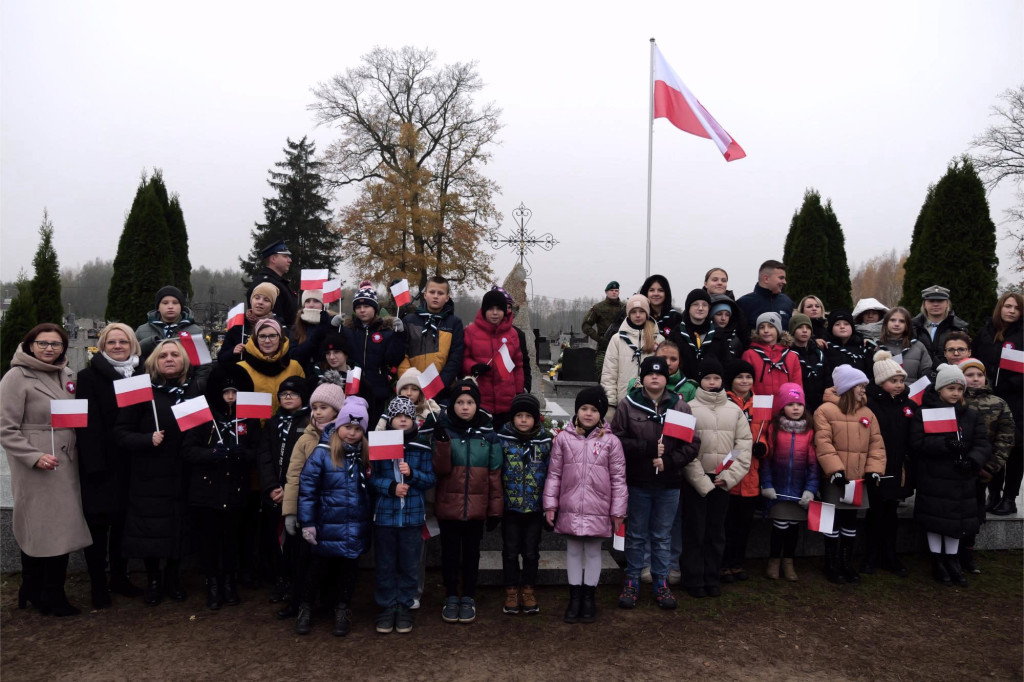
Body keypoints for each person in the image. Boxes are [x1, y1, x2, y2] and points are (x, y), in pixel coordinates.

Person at [1, 323, 92, 616]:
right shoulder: (16, 376)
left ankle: (36, 588)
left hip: (66, 460)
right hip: (38, 464)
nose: (49, 349)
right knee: (42, 526)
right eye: (43, 343)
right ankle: (48, 593)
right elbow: (5, 427)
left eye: (55, 344)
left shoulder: (67, 374)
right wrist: (33, 456)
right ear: (30, 344)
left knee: (58, 527)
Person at [115, 339, 204, 606]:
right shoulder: (142, 392)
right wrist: (146, 439)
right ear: (154, 361)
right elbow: (120, 432)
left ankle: (173, 578)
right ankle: (153, 579)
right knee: (150, 530)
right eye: (163, 355)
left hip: (184, 471)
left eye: (175, 354)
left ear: (184, 361)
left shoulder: (195, 392)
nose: (169, 359)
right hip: (149, 474)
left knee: (179, 526)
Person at [612, 357, 698, 611]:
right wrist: (647, 449)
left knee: (662, 536)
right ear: (643, 377)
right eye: (650, 374)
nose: (655, 378)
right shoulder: (628, 406)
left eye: (660, 375)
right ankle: (632, 580)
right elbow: (617, 441)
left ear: (666, 378)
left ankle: (661, 581)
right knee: (637, 535)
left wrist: (669, 461)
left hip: (668, 483)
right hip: (638, 481)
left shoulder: (679, 407)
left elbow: (692, 444)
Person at [74, 323, 146, 608]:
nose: (118, 346)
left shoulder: (140, 376)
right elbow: (87, 425)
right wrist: (94, 464)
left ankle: (119, 576)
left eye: (123, 342)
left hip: (130, 462)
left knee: (122, 526)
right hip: (100, 465)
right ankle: (98, 583)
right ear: (102, 346)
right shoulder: (88, 377)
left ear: (133, 346)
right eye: (111, 342)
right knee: (99, 527)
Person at [543, 387, 627, 624]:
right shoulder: (562, 439)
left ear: (601, 413)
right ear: (577, 411)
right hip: (569, 506)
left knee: (592, 551)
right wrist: (550, 505)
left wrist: (618, 510)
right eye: (584, 409)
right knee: (572, 551)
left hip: (598, 508)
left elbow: (618, 479)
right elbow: (554, 474)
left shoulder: (611, 442)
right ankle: (574, 596)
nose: (588, 414)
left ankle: (589, 597)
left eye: (594, 409)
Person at [182, 366, 258, 610]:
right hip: (207, 490)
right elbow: (187, 450)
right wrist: (211, 454)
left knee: (231, 540)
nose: (230, 398)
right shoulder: (203, 414)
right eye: (226, 392)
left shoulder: (248, 416)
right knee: (209, 541)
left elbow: (257, 449)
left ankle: (229, 582)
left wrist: (243, 453)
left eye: (235, 392)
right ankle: (212, 583)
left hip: (235, 489)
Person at [909, 364, 990, 587]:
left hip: (961, 478)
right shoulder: (925, 413)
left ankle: (952, 560)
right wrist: (946, 444)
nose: (955, 393)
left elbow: (982, 443)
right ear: (939, 390)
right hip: (934, 477)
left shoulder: (971, 415)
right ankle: (937, 559)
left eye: (958, 389)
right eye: (950, 388)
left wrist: (972, 460)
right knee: (936, 521)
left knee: (956, 521)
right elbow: (917, 443)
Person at [296, 400, 373, 636]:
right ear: (338, 425)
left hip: (354, 525)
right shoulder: (322, 453)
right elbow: (307, 490)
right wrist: (308, 523)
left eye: (358, 429)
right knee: (317, 570)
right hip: (326, 525)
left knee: (349, 571)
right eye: (348, 426)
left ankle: (343, 608)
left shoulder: (364, 455)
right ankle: (305, 607)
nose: (352, 433)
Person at [432, 378, 502, 625]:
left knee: (472, 554)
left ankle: (468, 596)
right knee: (450, 554)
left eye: (470, 402)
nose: (464, 407)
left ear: (477, 405)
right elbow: (440, 470)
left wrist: (494, 509)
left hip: (476, 508)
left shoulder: (489, 435)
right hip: (449, 507)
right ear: (452, 405)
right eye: (459, 402)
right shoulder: (444, 430)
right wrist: (441, 443)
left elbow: (494, 474)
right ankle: (451, 595)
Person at [681, 358, 752, 598]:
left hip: (722, 481)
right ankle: (693, 579)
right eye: (708, 378)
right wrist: (700, 479)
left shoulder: (735, 411)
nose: (712, 383)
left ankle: (712, 578)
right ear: (700, 380)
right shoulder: (687, 407)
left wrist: (728, 475)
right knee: (695, 532)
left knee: (715, 532)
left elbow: (742, 446)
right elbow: (683, 447)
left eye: (716, 378)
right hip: (695, 481)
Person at [281, 384, 350, 623]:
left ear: (337, 410)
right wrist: (291, 512)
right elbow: (294, 476)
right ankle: (301, 604)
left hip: (335, 513)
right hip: (308, 511)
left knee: (331, 563)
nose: (318, 412)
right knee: (304, 561)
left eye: (324, 407)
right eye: (315, 408)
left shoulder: (345, 438)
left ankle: (330, 604)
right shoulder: (304, 439)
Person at [813, 365, 886, 585]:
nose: (864, 390)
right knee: (831, 520)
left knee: (850, 520)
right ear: (847, 388)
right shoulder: (824, 411)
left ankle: (846, 562)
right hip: (834, 478)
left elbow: (876, 444)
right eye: (860, 386)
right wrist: (834, 469)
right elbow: (823, 442)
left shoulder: (867, 413)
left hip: (857, 479)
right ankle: (830, 562)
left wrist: (874, 470)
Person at [371, 397, 436, 635]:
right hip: (386, 516)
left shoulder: (422, 446)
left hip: (412, 516)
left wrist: (412, 474)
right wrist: (390, 487)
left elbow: (430, 479)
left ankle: (405, 605)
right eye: (397, 416)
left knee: (409, 563)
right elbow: (372, 477)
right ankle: (387, 606)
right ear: (390, 419)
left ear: (413, 420)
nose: (402, 420)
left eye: (407, 416)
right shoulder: (380, 445)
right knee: (386, 563)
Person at [495, 393, 552, 616]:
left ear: (536, 419)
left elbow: (551, 472)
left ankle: (528, 589)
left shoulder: (545, 441)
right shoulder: (502, 439)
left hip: (534, 509)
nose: (523, 420)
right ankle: (511, 590)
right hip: (510, 508)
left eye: (528, 416)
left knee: (531, 552)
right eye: (519, 415)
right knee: (510, 552)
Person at [256, 376, 310, 609]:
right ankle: (281, 579)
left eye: (293, 394)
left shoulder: (309, 421)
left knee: (295, 540)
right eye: (284, 394)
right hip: (274, 491)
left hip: (296, 491)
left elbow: (308, 460)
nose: (288, 398)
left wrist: (290, 488)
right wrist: (270, 486)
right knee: (274, 537)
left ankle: (296, 581)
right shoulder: (271, 422)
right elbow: (264, 456)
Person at [863, 351, 917, 577]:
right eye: (893, 381)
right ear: (880, 382)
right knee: (875, 512)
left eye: (901, 380)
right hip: (876, 465)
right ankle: (871, 556)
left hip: (898, 466)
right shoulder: (869, 404)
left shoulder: (909, 405)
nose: (899, 385)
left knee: (892, 511)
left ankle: (890, 555)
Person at [960, 357, 1014, 573]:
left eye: (979, 375)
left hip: (981, 470)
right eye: (969, 375)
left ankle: (968, 554)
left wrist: (991, 467)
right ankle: (950, 553)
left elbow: (1006, 438)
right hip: (954, 470)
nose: (975, 379)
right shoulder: (953, 399)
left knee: (975, 513)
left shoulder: (998, 403)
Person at [760, 382, 818, 581]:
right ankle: (774, 560)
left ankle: (789, 562)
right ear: (782, 406)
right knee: (779, 526)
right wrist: (767, 484)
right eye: (791, 404)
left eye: (799, 404)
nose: (796, 408)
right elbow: (767, 460)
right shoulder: (774, 429)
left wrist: (810, 489)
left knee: (793, 526)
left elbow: (813, 465)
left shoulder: (809, 431)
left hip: (798, 489)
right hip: (778, 488)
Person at [972, 292, 1023, 516]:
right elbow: (975, 361)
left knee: (1015, 449)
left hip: (1017, 400)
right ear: (999, 308)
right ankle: (993, 494)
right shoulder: (985, 333)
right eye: (1007, 306)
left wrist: (1013, 381)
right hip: (990, 400)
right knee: (993, 447)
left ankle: (1009, 498)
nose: (1011, 311)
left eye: (1016, 308)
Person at [722, 359, 769, 583]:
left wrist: (763, 448)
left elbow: (765, 433)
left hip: (751, 473)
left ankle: (737, 563)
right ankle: (723, 564)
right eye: (740, 377)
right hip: (729, 470)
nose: (744, 381)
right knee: (726, 524)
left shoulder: (760, 403)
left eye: (748, 377)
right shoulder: (724, 401)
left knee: (744, 525)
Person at [343, 281, 407, 427]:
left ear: (375, 308)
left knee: (374, 428)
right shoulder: (349, 330)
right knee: (355, 427)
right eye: (358, 307)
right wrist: (333, 328)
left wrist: (400, 335)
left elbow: (394, 358)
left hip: (378, 389)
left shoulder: (386, 332)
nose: (362, 310)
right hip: (354, 390)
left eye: (366, 306)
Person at [463, 289, 525, 430]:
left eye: (499, 309)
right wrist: (473, 366)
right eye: (491, 309)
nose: (495, 313)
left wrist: (519, 392)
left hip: (506, 402)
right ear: (484, 310)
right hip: (480, 401)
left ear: (505, 311)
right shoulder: (470, 332)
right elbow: (463, 358)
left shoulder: (513, 334)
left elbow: (518, 366)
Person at [398, 275, 465, 403]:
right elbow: (402, 354)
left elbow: (455, 358)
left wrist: (438, 385)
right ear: (425, 295)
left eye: (440, 293)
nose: (435, 296)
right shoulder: (409, 320)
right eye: (432, 292)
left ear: (447, 297)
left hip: (442, 391)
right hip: (411, 389)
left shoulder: (454, 323)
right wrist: (411, 381)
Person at [601, 294, 664, 411]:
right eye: (634, 311)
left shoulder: (659, 340)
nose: (638, 315)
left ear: (647, 313)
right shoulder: (617, 339)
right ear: (628, 314)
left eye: (641, 311)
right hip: (624, 403)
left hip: (652, 403)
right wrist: (610, 404)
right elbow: (609, 374)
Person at [218, 283, 288, 366]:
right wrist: (233, 351)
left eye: (266, 300)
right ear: (251, 300)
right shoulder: (238, 324)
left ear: (271, 305)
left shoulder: (278, 327)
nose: (260, 302)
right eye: (257, 298)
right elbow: (221, 357)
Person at [602, 275, 682, 344]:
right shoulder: (636, 317)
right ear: (646, 292)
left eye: (660, 290)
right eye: (651, 290)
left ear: (666, 293)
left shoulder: (677, 319)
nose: (656, 293)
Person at [742, 312, 802, 399]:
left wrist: (794, 403)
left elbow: (796, 385)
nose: (766, 330)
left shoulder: (791, 356)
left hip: (784, 407)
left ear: (778, 330)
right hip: (759, 407)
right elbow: (747, 385)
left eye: (771, 326)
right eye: (762, 327)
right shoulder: (749, 355)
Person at [135, 285, 204, 360]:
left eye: (175, 303)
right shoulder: (141, 331)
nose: (170, 306)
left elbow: (202, 363)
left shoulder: (195, 331)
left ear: (181, 307)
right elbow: (134, 359)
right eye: (165, 303)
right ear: (158, 307)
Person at [911, 285, 970, 369]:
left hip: (950, 375)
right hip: (920, 376)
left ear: (947, 303)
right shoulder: (913, 327)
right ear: (924, 304)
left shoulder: (959, 328)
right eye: (931, 301)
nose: (936, 304)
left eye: (940, 301)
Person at [246, 239, 298, 327]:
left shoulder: (279, 282)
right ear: (273, 259)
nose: (290, 260)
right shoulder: (267, 284)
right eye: (285, 256)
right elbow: (275, 320)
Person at [876, 306, 932, 384]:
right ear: (886, 323)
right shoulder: (876, 347)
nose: (897, 324)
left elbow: (927, 374)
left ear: (907, 325)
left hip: (912, 394)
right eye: (892, 320)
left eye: (902, 321)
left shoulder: (918, 347)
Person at [736, 260, 795, 332]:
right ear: (766, 279)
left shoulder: (788, 302)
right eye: (781, 278)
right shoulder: (743, 303)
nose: (785, 282)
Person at [582, 281, 626, 372]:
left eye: (616, 290)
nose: (614, 292)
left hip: (621, 347)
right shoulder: (598, 308)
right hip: (604, 347)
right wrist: (599, 338)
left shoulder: (625, 308)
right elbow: (585, 325)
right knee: (602, 373)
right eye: (612, 290)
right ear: (606, 292)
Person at [788, 313, 828, 416]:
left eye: (808, 328)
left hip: (821, 403)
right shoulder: (788, 354)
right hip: (800, 404)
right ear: (792, 331)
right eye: (800, 327)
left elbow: (827, 376)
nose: (805, 330)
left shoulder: (818, 353)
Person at [288, 289, 334, 372]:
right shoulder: (297, 327)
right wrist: (315, 339)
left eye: (316, 301)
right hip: (301, 375)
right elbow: (293, 356)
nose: (311, 305)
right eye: (307, 301)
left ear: (324, 304)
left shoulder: (333, 324)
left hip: (326, 376)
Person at [823, 310, 871, 375]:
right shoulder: (824, 347)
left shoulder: (863, 347)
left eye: (846, 324)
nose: (842, 327)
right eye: (837, 324)